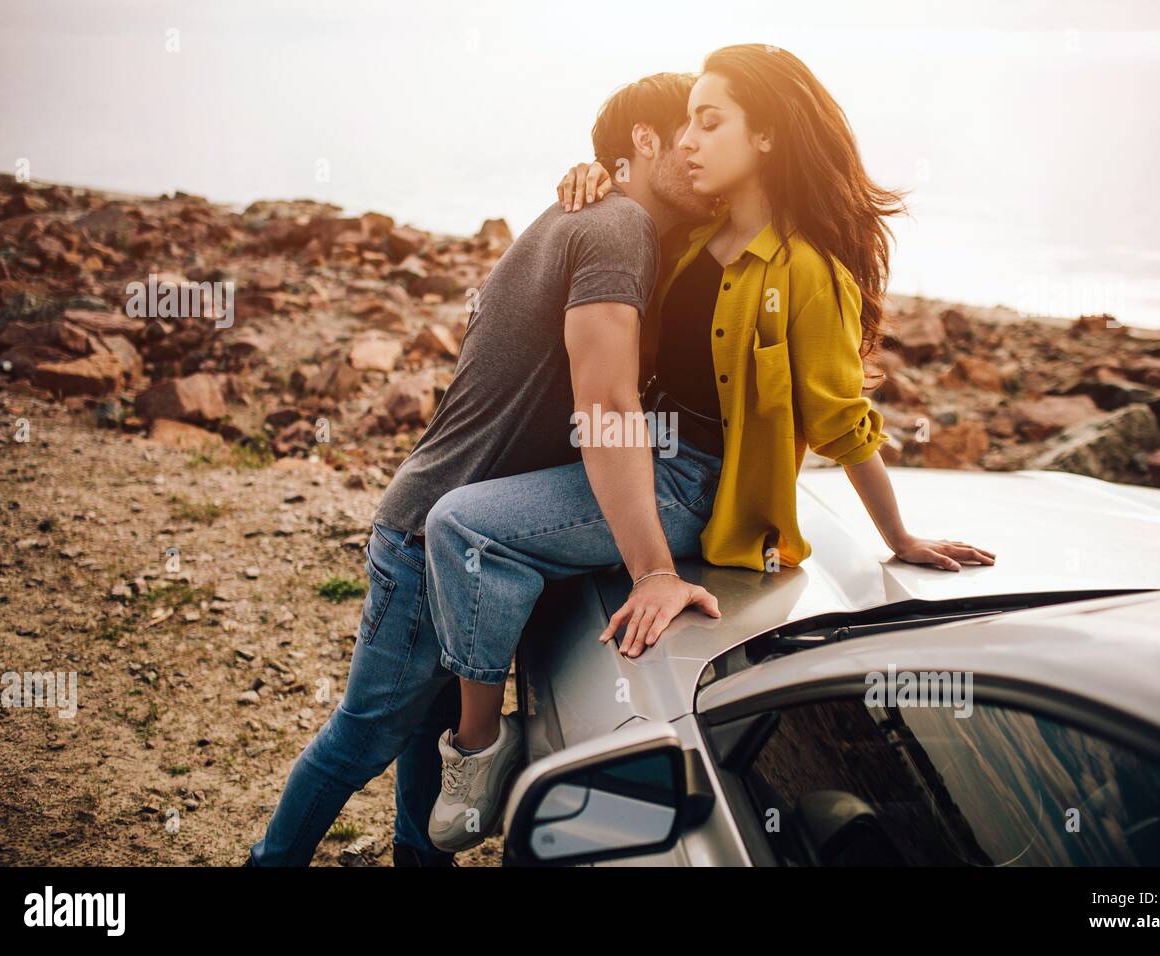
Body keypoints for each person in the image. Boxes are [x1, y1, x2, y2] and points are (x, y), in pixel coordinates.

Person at [424, 44, 995, 853]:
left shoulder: (808, 271)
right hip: (644, 455)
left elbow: (840, 418)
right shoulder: (693, 240)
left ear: (764, 138)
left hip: (700, 486)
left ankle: (478, 755)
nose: (686, 139)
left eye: (709, 120)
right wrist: (593, 176)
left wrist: (898, 539)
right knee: (473, 521)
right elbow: (621, 248)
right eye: (685, 122)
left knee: (462, 524)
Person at [247, 72, 719, 865]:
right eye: (693, 130)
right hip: (435, 529)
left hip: (443, 520)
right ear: (645, 140)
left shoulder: (599, 213)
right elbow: (603, 404)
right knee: (362, 738)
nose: (705, 154)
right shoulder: (618, 228)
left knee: (421, 746)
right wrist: (654, 570)